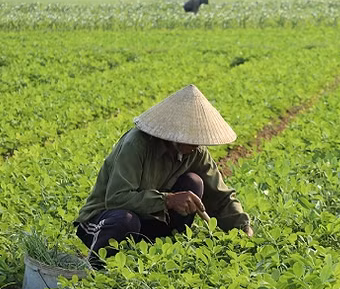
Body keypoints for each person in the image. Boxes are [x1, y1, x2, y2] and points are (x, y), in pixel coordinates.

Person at [74, 84, 252, 268]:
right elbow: (116, 198)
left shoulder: (196, 151)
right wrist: (167, 200)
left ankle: (165, 255)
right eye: (191, 138)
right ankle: (96, 267)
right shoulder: (136, 144)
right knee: (126, 220)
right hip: (105, 221)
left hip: (148, 222)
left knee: (193, 182)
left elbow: (220, 196)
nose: (196, 145)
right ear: (175, 133)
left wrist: (243, 228)